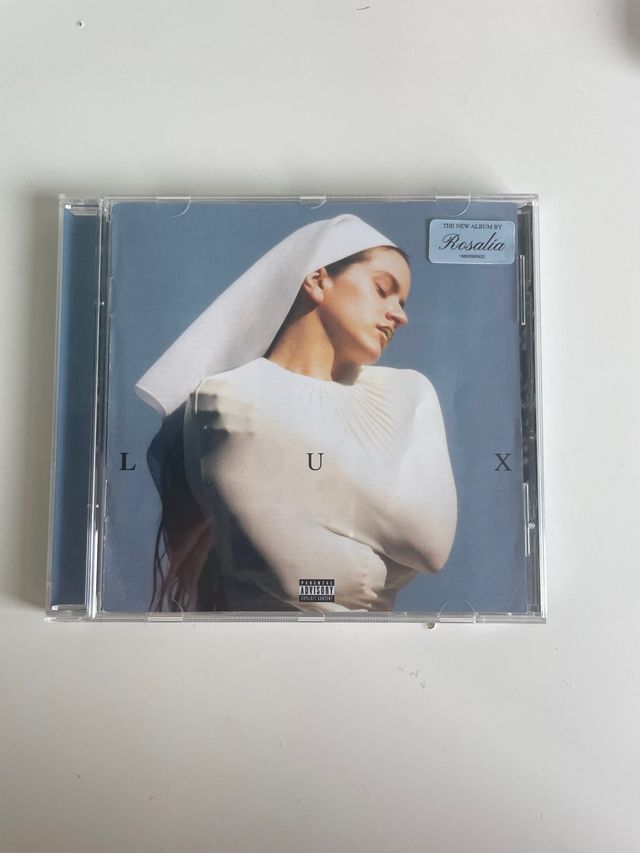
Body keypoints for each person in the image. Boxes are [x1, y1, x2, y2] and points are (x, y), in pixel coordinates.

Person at [136, 214, 457, 613]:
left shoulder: (408, 392)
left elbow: (431, 543)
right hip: (263, 642)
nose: (400, 315)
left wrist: (294, 476)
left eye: (402, 303)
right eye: (382, 290)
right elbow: (298, 583)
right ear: (318, 280)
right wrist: (377, 571)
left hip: (377, 645)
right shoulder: (228, 396)